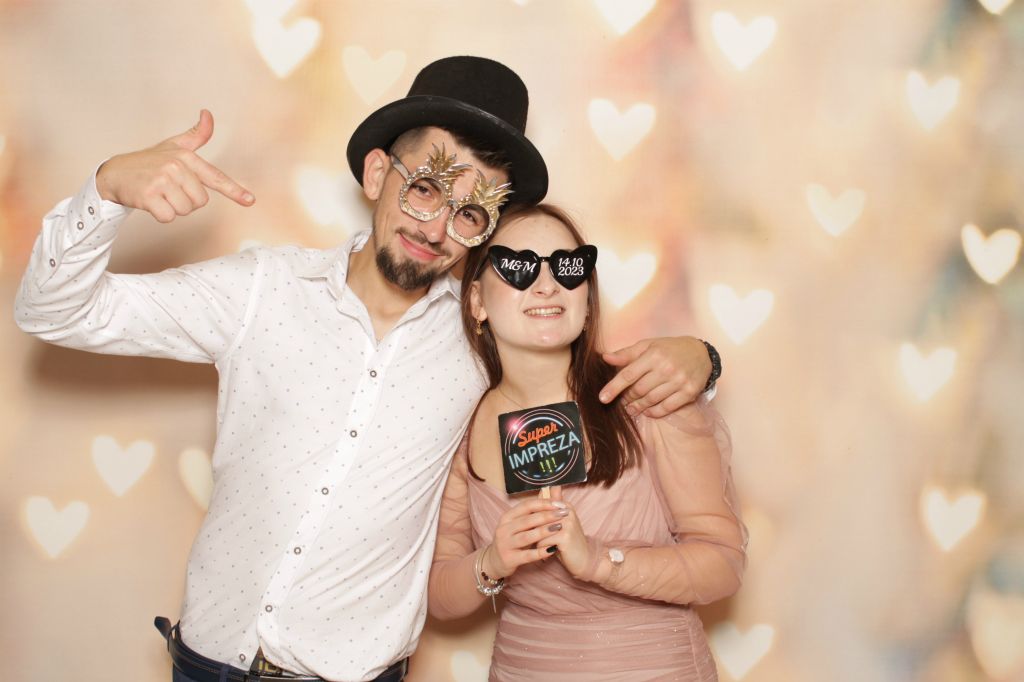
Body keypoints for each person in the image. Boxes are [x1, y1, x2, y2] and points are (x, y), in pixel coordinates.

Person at [14, 57, 719, 682]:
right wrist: (105, 192)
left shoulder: (481, 338)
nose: (436, 228)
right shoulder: (263, 290)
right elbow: (54, 313)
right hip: (208, 663)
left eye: (471, 214)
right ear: (378, 173)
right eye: (425, 189)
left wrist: (702, 360)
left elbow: (576, 365)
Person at [428, 204, 746, 681]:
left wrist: (599, 560)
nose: (547, 284)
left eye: (567, 266)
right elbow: (438, 593)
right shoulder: (463, 425)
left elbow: (723, 563)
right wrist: (490, 562)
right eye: (518, 266)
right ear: (477, 301)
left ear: (588, 297)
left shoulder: (646, 396)